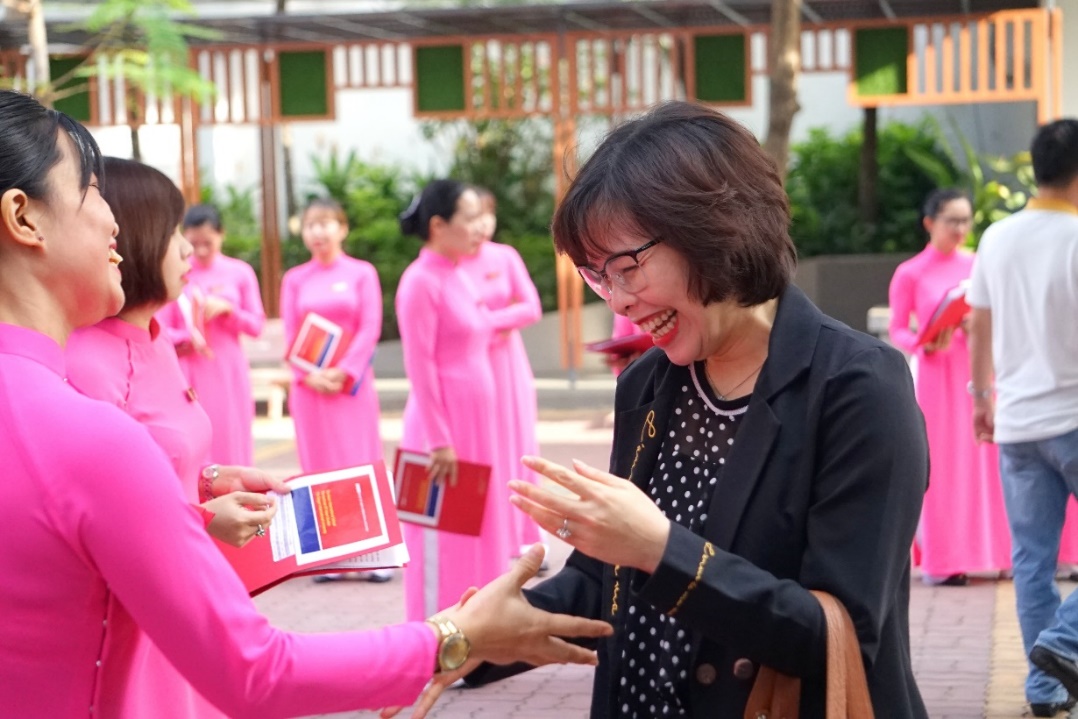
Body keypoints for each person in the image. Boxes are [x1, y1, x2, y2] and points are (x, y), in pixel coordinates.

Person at [0, 89, 612, 718]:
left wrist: (196, 485)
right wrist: (455, 637)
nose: (111, 223)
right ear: (23, 217)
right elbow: (255, 671)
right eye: (91, 191)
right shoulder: (90, 434)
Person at [460, 102, 930, 717]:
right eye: (597, 276)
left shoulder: (857, 386)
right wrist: (468, 640)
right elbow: (607, 582)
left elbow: (835, 639)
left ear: (716, 229)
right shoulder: (650, 384)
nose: (620, 301)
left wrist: (662, 552)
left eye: (628, 267)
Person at [65, 156, 284, 717]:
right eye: (173, 235)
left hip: (189, 589)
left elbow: (164, 461)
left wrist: (211, 479)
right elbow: (100, 521)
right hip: (140, 610)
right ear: (132, 241)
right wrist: (208, 524)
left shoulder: (158, 339)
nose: (189, 251)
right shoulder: (89, 361)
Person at [968, 118, 1078, 718]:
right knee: (1036, 562)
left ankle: (1044, 690)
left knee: (1032, 560)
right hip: (1073, 416)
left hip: (1017, 422)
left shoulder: (997, 237)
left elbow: (978, 322)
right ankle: (1063, 644)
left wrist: (980, 396)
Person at [396, 180, 521, 622]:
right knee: (440, 541)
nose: (478, 226)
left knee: (474, 532)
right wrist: (438, 441)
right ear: (438, 225)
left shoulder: (456, 274)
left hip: (474, 426)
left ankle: (474, 636)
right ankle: (432, 640)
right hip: (442, 434)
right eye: (468, 218)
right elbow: (421, 366)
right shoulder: (420, 282)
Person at [887, 188, 1011, 586]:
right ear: (929, 223)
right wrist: (922, 343)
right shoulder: (910, 272)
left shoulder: (978, 265)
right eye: (951, 221)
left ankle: (994, 554)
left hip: (976, 373)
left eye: (965, 220)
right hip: (935, 376)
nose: (960, 229)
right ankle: (944, 560)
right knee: (942, 466)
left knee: (985, 464)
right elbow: (896, 330)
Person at [280, 197, 392, 583]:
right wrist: (307, 374)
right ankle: (326, 556)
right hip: (310, 390)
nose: (318, 231)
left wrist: (344, 372)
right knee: (317, 464)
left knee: (360, 461)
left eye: (326, 223)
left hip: (352, 389)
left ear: (343, 228)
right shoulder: (294, 279)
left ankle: (373, 554)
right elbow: (291, 333)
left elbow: (370, 326)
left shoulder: (362, 273)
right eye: (311, 224)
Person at [460, 187, 544, 557]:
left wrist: (488, 321)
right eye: (471, 217)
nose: (480, 225)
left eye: (486, 215)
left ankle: (523, 535)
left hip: (507, 365)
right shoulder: (449, 265)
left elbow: (531, 306)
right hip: (469, 366)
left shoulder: (505, 256)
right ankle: (485, 539)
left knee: (516, 444)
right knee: (478, 448)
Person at [158, 203, 265, 466]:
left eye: (208, 241)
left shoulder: (240, 272)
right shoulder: (177, 270)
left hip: (227, 370)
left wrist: (230, 311)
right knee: (194, 442)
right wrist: (186, 336)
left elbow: (256, 325)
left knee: (231, 438)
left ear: (222, 235)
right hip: (187, 371)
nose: (202, 250)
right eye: (195, 243)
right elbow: (159, 329)